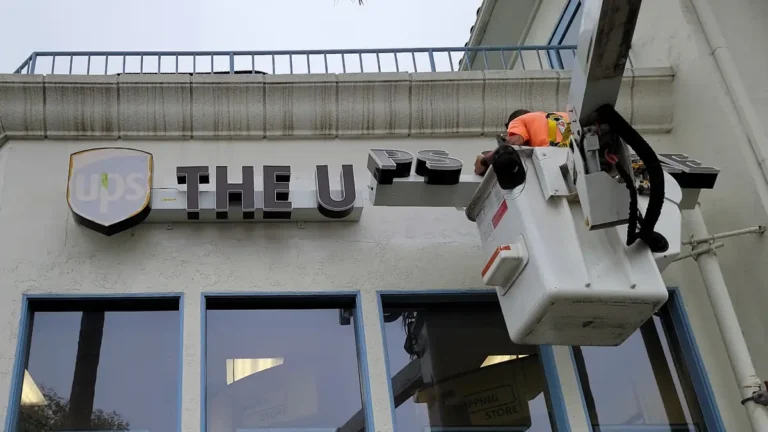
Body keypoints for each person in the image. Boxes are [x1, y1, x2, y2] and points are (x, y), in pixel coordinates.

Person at [474, 109, 571, 175]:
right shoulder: (561, 116)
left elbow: (513, 145)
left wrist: (486, 160)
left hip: (557, 161)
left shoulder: (518, 121)